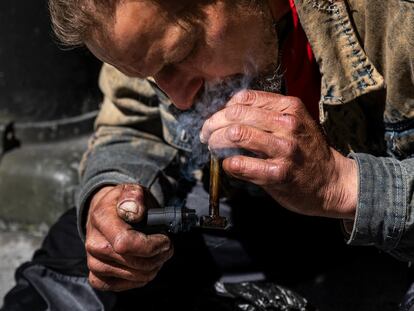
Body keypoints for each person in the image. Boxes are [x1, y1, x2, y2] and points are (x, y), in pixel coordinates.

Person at [2, 0, 414, 310]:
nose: (179, 96)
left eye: (181, 55)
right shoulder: (141, 25)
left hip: (388, 237)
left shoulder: (398, 17)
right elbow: (134, 123)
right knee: (65, 277)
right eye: (151, 74)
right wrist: (114, 195)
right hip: (264, 219)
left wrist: (342, 184)